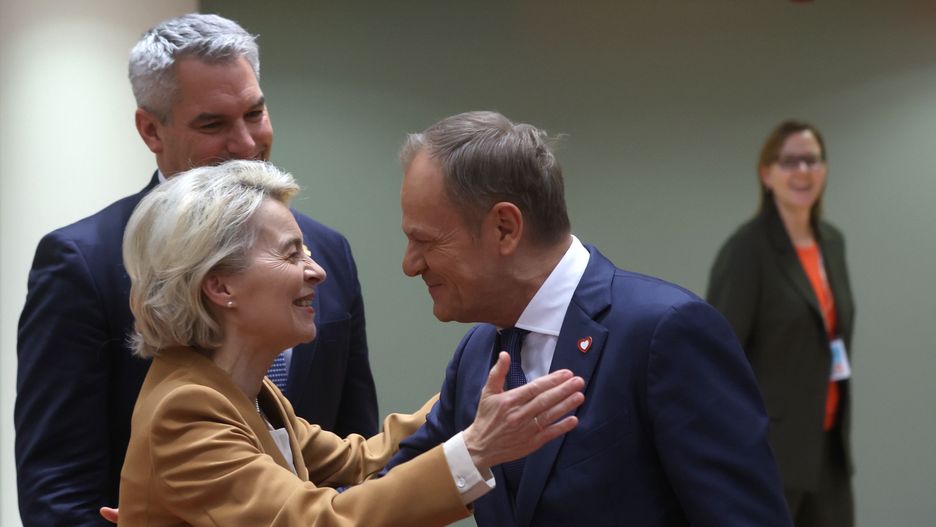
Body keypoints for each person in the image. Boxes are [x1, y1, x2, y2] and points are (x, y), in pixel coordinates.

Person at [15, 14, 378, 525]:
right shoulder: (84, 262)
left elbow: (354, 451)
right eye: (213, 124)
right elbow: (58, 487)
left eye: (255, 113)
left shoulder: (327, 251)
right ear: (150, 130)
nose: (247, 143)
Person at [115, 159, 585, 526]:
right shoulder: (186, 410)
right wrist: (476, 451)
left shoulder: (245, 392)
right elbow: (318, 522)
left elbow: (362, 461)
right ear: (220, 287)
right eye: (290, 253)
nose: (317, 271)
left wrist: (469, 394)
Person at [383, 111, 793, 526]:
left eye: (425, 241)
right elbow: (391, 491)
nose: (410, 264)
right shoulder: (478, 354)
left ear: (505, 228)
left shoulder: (665, 333)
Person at [707, 121, 855, 526]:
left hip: (828, 446)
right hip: (769, 451)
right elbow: (717, 358)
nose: (802, 171)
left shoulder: (832, 242)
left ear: (824, 169)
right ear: (766, 173)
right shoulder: (747, 250)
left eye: (812, 160)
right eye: (789, 161)